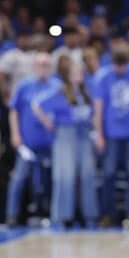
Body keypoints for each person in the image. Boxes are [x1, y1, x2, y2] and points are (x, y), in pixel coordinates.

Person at [33, 57, 99, 229]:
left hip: (84, 134)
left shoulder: (85, 92)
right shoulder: (59, 91)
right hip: (65, 135)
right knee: (65, 176)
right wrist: (48, 123)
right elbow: (36, 104)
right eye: (76, 72)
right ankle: (63, 215)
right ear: (68, 74)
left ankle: (88, 214)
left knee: (87, 175)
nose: (79, 75)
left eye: (80, 72)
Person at [94, 41, 129, 227]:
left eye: (123, 65)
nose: (120, 69)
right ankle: (107, 215)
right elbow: (99, 108)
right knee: (109, 174)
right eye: (117, 65)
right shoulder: (103, 76)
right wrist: (99, 134)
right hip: (111, 134)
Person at [5, 51, 57, 226]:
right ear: (34, 67)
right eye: (40, 64)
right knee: (19, 178)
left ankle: (49, 214)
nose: (43, 68)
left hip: (51, 143)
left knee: (49, 180)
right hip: (27, 142)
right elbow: (14, 110)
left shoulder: (57, 86)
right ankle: (12, 215)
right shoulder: (24, 86)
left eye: (46, 64)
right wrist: (15, 134)